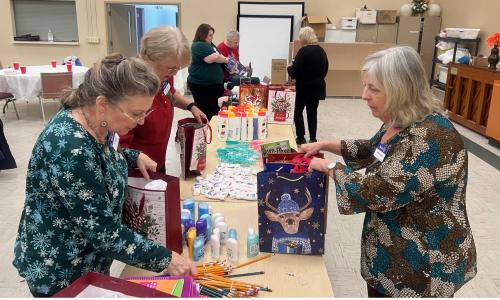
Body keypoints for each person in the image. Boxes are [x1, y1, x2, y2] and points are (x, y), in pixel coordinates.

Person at [13, 54, 196, 297]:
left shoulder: (96, 120)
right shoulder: (70, 146)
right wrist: (166, 259)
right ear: (102, 104)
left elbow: (103, 154)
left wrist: (132, 156)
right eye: (135, 113)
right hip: (61, 268)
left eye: (145, 113)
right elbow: (104, 233)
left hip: (89, 259)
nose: (141, 122)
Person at [302, 46, 477, 297]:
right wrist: (327, 145)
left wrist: (329, 167)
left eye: (373, 88)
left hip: (422, 266)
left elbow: (374, 193)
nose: (364, 95)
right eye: (365, 86)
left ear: (400, 90)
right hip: (393, 256)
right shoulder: (400, 119)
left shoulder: (427, 138)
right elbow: (375, 149)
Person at [120, 26, 207, 173]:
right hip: (137, 171)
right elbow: (117, 147)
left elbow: (170, 93)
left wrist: (191, 106)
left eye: (178, 69)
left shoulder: (162, 76)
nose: (173, 74)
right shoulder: (130, 87)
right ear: (149, 57)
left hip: (157, 163)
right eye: (171, 68)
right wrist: (136, 158)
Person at [287, 26, 329, 146]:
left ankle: (301, 138)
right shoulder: (321, 51)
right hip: (317, 88)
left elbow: (294, 73)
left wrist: (289, 68)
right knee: (312, 112)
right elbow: (325, 69)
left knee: (297, 111)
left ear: (304, 38)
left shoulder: (303, 51)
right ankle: (313, 138)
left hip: (303, 88)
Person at [187, 23, 227, 120]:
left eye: (212, 35)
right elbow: (215, 58)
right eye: (210, 35)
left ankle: (210, 131)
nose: (212, 38)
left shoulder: (210, 45)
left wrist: (222, 58)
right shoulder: (199, 45)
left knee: (214, 111)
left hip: (212, 86)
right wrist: (224, 59)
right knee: (206, 112)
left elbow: (219, 57)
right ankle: (205, 132)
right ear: (202, 34)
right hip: (202, 86)